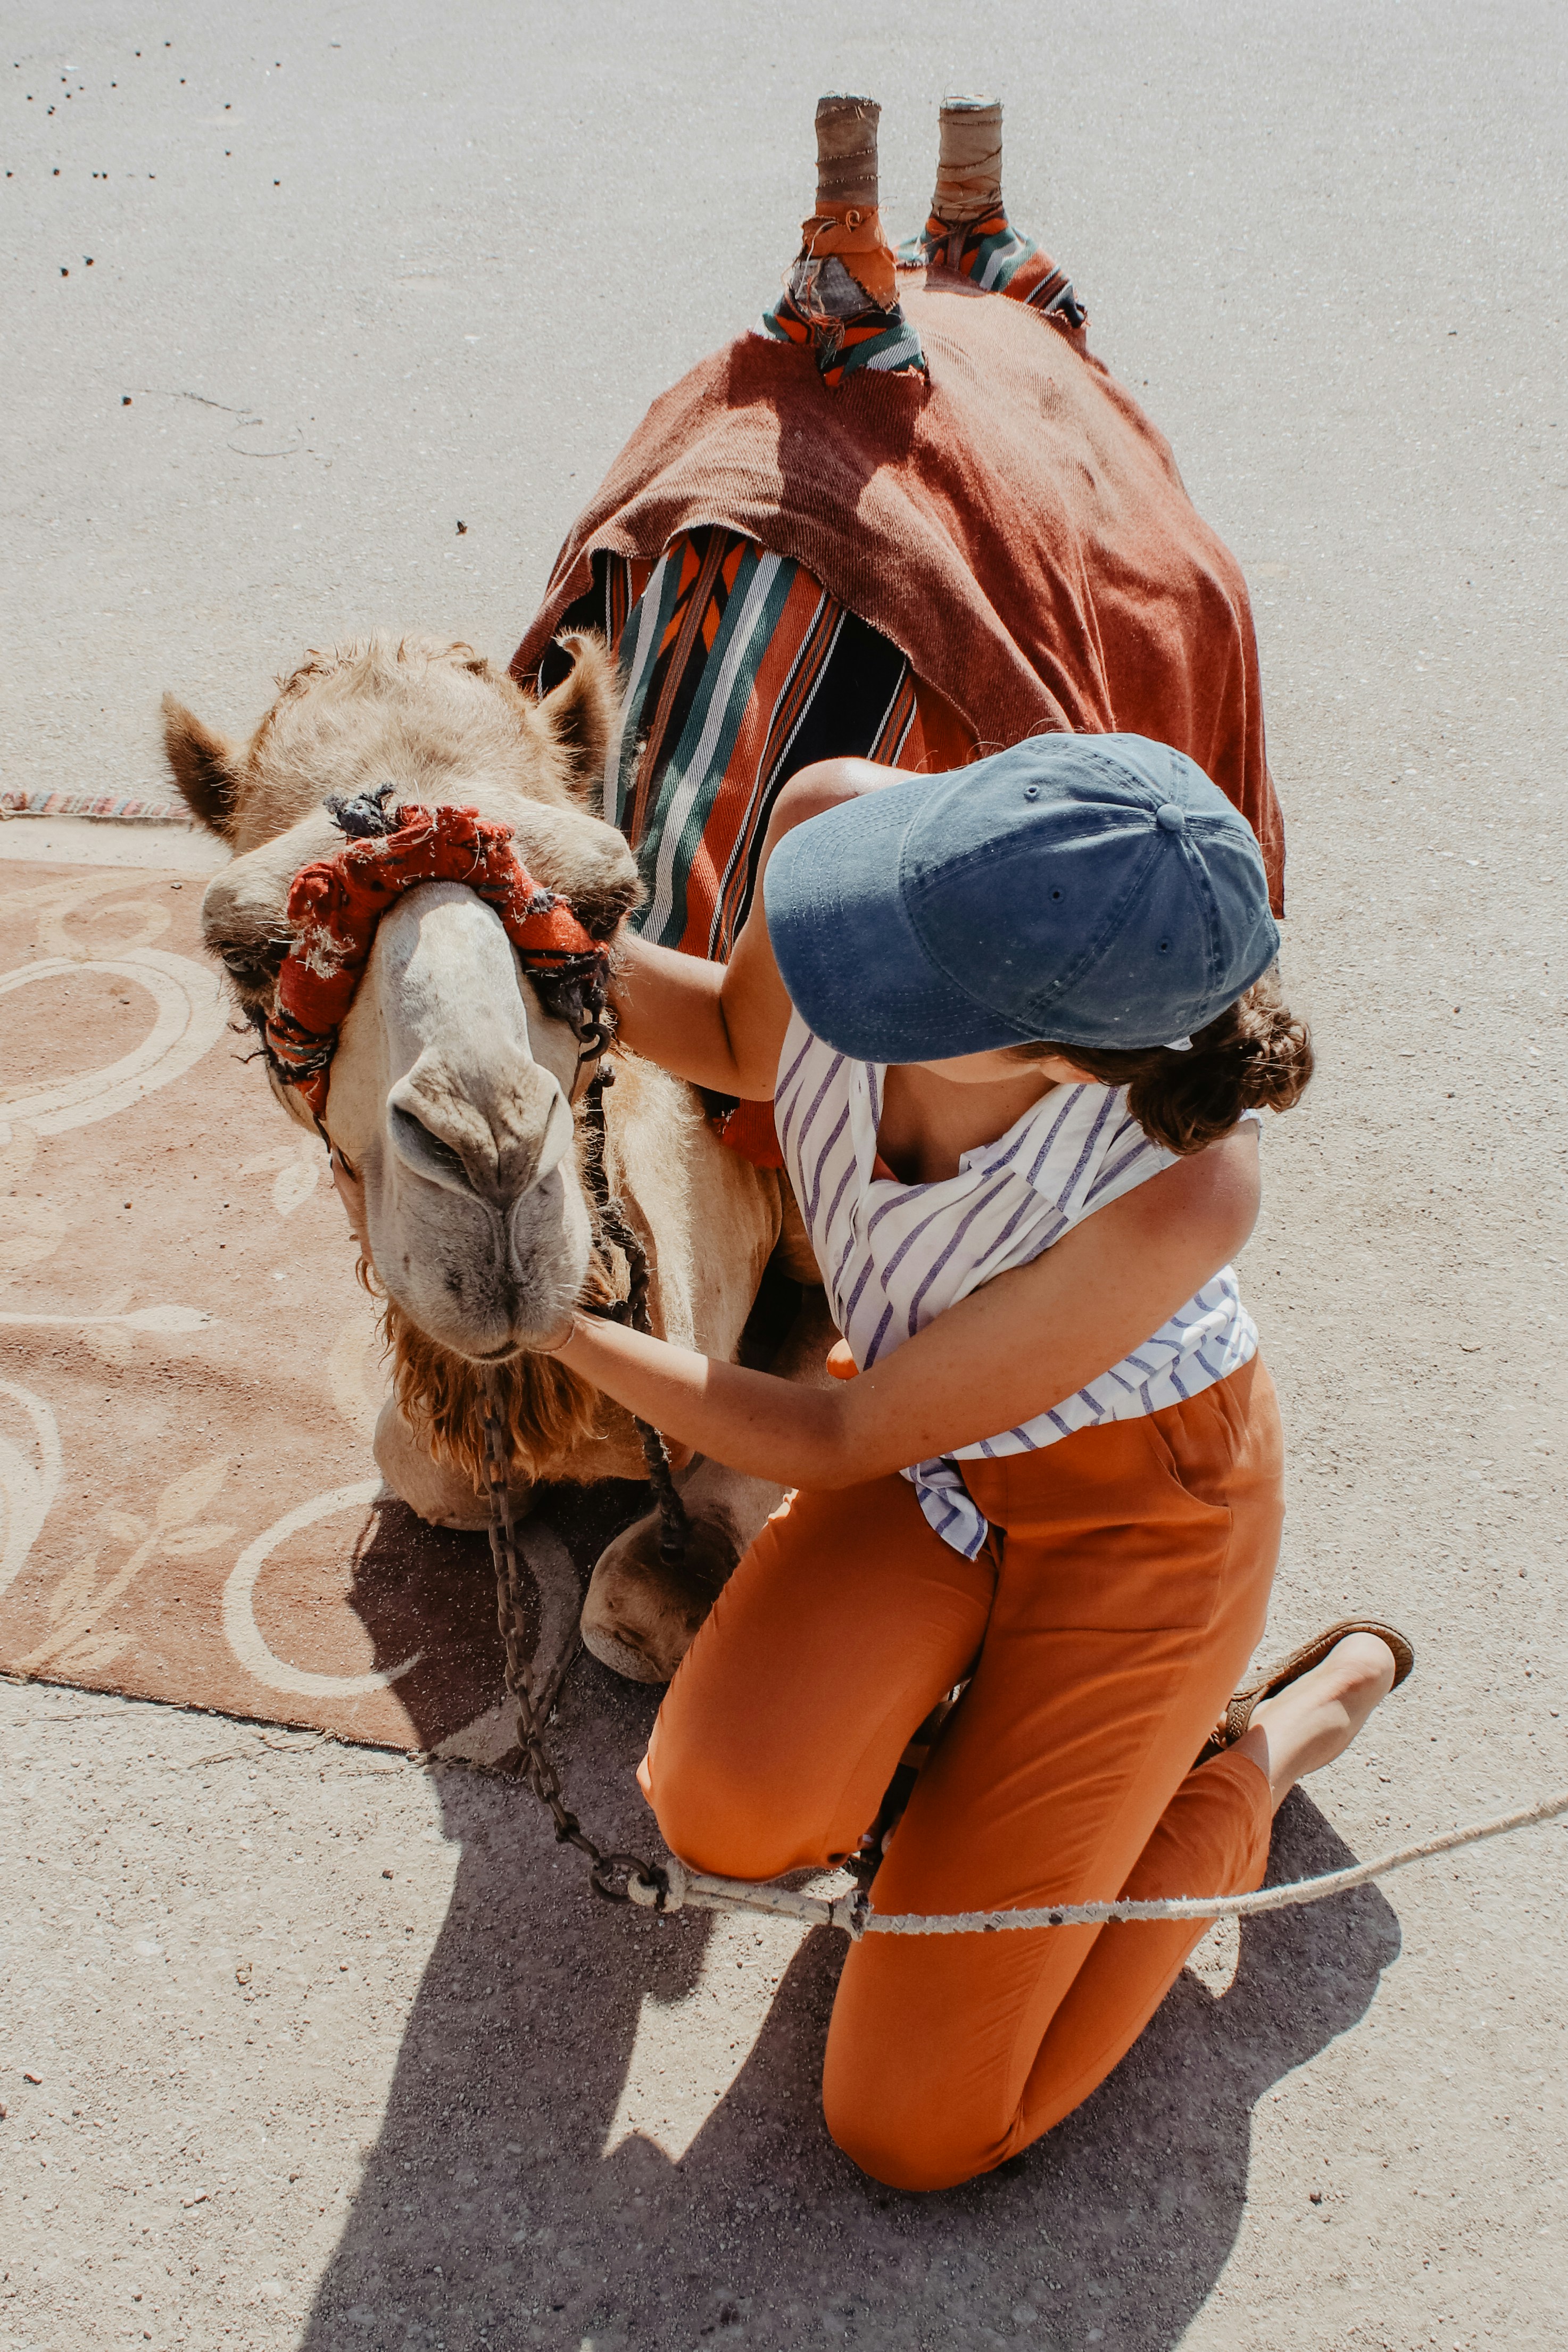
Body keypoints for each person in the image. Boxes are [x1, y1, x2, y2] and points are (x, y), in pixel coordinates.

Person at [537, 732, 1413, 2192]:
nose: (846, 943)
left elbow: (828, 1438)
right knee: (720, 1809)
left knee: (915, 2129)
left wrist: (551, 1325)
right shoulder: (838, 826)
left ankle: (1266, 1745)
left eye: (899, 965)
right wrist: (511, 930)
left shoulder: (1186, 1179)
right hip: (932, 1447)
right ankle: (984, 1793)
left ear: (1063, 1062)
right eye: (889, 893)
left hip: (1141, 1525)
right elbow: (735, 1042)